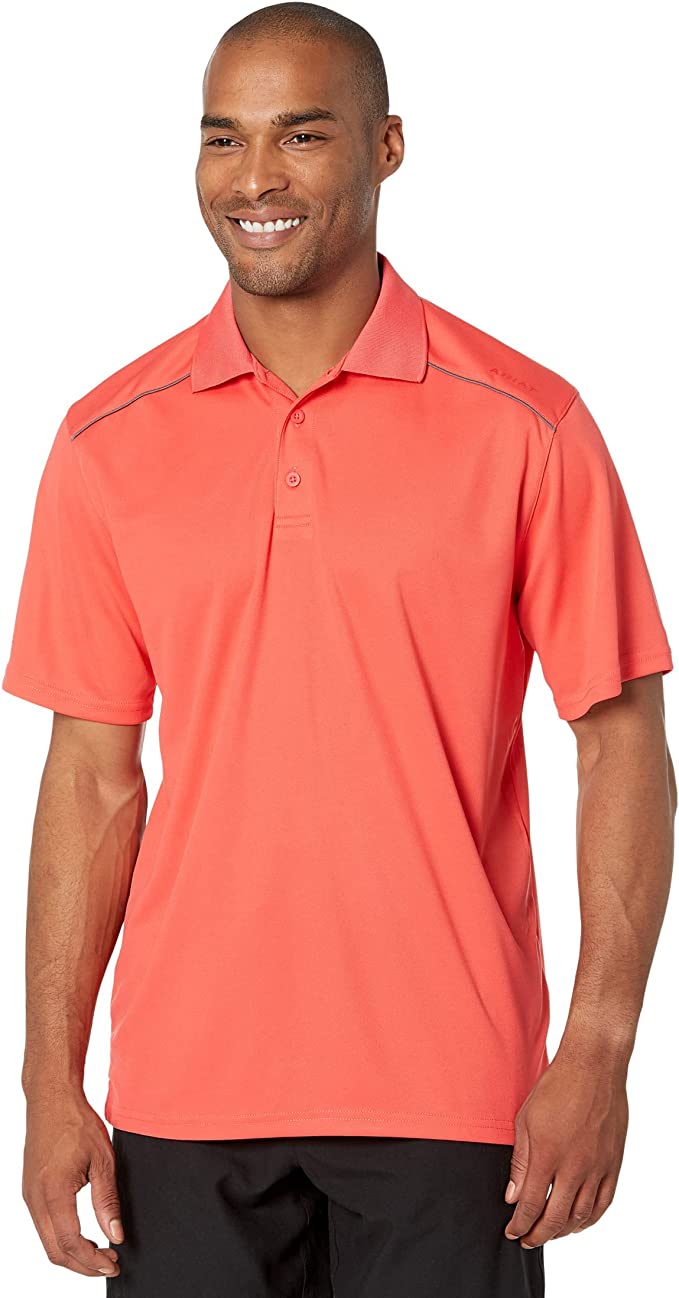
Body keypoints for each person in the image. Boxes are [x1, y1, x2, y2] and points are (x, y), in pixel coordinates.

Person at [3, 4, 675, 1294]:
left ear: (388, 147)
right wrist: (48, 1080)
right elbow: (89, 776)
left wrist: (598, 1048)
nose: (254, 178)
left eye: (301, 136)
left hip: (455, 1093)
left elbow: (621, 741)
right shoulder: (105, 441)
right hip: (182, 1098)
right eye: (224, 139)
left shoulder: (527, 424)